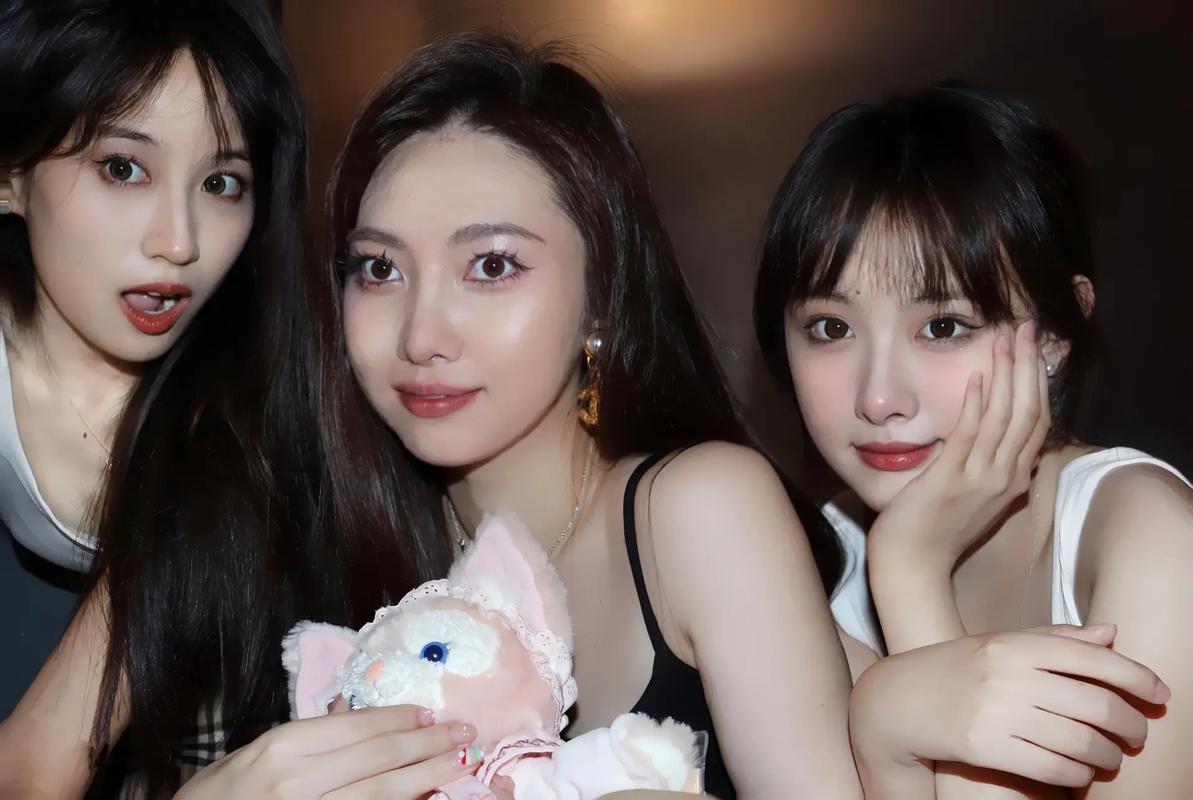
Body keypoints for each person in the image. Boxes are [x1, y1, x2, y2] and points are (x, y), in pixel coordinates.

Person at [304, 31, 863, 800]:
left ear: (601, 294)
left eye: (491, 265)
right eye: (379, 268)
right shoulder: (335, 552)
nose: (420, 336)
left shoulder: (697, 510)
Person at [0, 2, 465, 797]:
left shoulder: (231, 424)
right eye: (123, 168)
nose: (178, 242)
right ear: (11, 174)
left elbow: (38, 764)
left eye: (221, 183)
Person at [754, 82, 1190, 798]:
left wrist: (910, 571)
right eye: (830, 328)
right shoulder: (810, 563)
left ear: (1053, 339)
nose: (879, 399)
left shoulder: (1151, 539)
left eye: (942, 326)